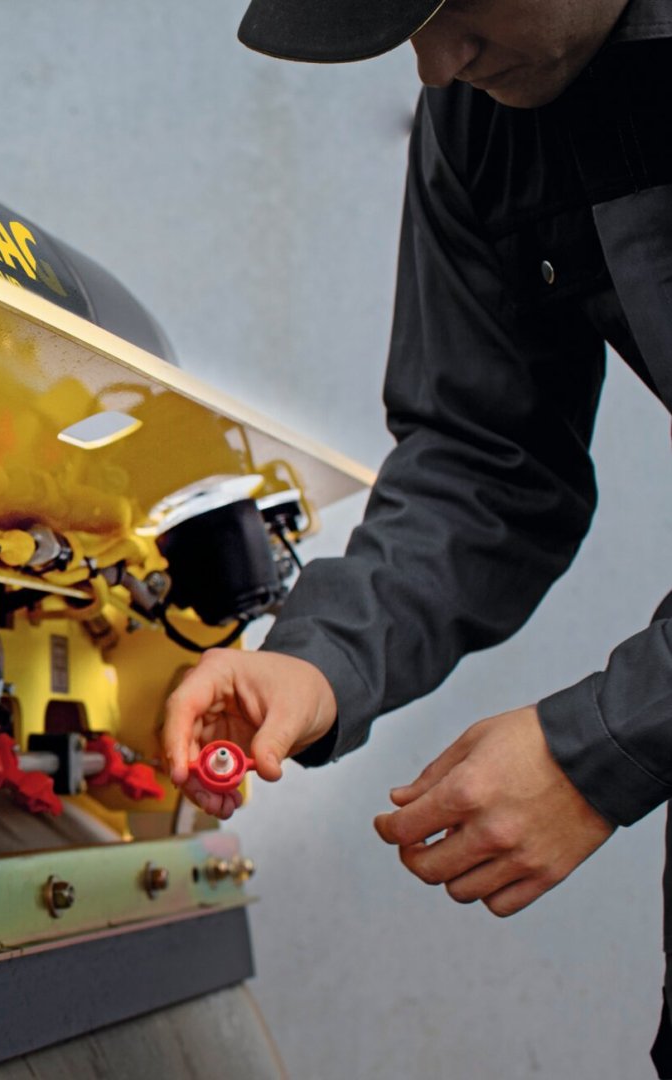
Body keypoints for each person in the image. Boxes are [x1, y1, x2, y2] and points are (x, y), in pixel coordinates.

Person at [160, 0, 672, 1070]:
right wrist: (321, 659)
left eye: (454, 1)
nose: (435, 66)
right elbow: (485, 459)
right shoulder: (488, 112)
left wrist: (604, 741)